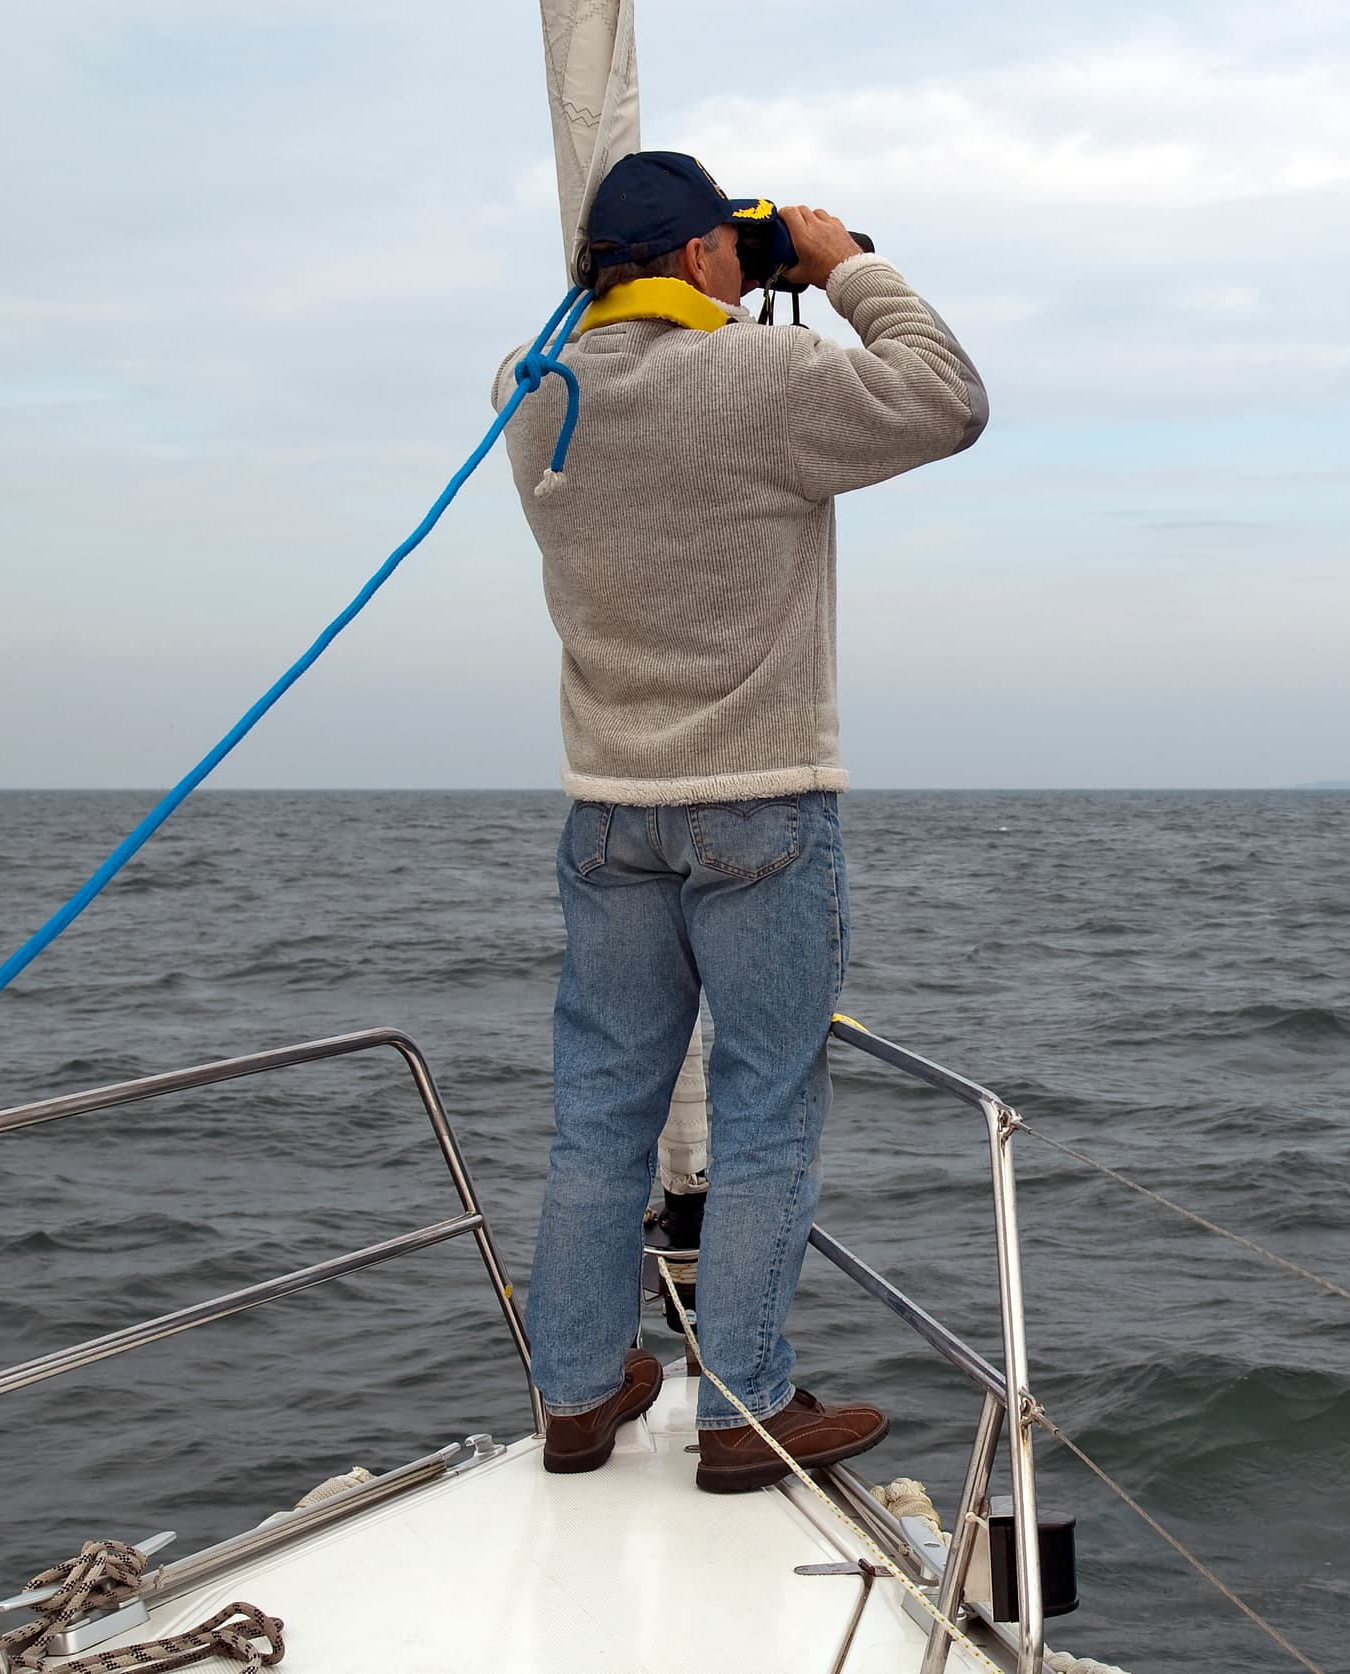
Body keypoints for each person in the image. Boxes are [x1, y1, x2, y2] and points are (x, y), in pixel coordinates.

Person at [492, 151, 987, 1490]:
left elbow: (578, 339)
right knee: (767, 1108)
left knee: (599, 1113)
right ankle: (744, 1409)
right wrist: (837, 265)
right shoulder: (766, 382)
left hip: (610, 820)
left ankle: (578, 1393)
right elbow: (948, 399)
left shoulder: (536, 404)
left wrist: (700, 267)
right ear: (708, 258)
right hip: (761, 810)